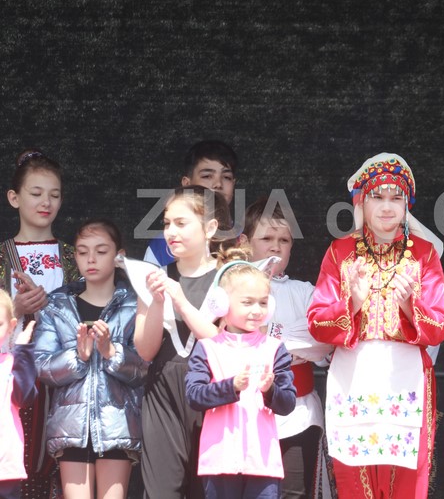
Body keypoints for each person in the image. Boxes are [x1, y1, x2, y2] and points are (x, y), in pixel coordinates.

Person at [307, 153, 444, 499]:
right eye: (378, 197)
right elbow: (317, 322)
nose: (387, 206)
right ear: (362, 201)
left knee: (406, 483)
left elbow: (441, 325)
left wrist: (410, 307)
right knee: (355, 483)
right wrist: (352, 304)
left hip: (407, 382)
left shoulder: (424, 254)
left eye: (396, 198)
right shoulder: (340, 252)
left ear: (406, 205)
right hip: (353, 379)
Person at [34, 219, 148, 499]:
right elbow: (41, 367)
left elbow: (145, 368)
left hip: (118, 426)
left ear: (119, 256)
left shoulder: (135, 304)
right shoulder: (56, 305)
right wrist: (78, 356)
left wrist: (112, 353)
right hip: (70, 427)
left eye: (101, 251)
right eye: (83, 252)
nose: (91, 259)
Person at [134, 185, 231, 499]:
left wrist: (181, 302)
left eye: (181, 223)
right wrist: (157, 302)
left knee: (209, 491)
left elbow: (230, 346)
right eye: (166, 223)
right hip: (163, 395)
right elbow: (145, 350)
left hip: (213, 394)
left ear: (210, 228)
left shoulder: (230, 278)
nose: (171, 232)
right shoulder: (153, 277)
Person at [239, 197, 333, 499]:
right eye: (266, 238)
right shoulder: (230, 287)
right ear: (244, 243)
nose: (276, 247)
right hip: (242, 414)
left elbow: (324, 341)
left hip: (299, 415)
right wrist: (292, 344)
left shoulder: (305, 292)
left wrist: (270, 335)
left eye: (284, 240)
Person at [186, 252, 297, 499]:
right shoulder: (207, 348)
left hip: (263, 464)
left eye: (263, 303)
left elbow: (288, 403)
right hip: (219, 463)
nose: (257, 310)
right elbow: (194, 396)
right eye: (247, 302)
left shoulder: (274, 348)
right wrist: (231, 387)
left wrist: (270, 391)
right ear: (222, 305)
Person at [1, 148, 79, 499]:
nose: (46, 202)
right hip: (12, 383)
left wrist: (54, 307)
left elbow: (92, 313)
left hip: (64, 382)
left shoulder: (74, 256)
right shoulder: (2, 255)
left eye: (54, 194)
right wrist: (14, 309)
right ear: (14, 198)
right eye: (36, 193)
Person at [144, 140, 238, 267]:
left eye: (226, 177)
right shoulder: (161, 245)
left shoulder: (250, 238)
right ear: (187, 184)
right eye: (207, 176)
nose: (218, 184)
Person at [0, 290, 37, 499]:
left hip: (6, 470)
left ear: (11, 325)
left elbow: (25, 397)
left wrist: (23, 350)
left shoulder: (12, 363)